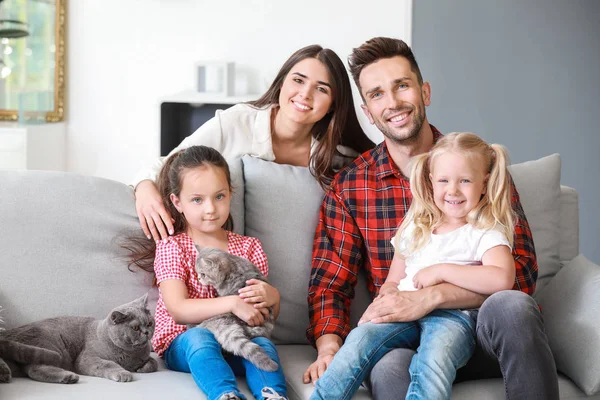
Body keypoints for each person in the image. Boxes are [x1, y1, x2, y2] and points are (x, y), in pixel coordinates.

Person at [305, 37, 558, 400]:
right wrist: (330, 350)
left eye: (402, 86)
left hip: (479, 329)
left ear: (424, 92)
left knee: (514, 306)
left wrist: (435, 295)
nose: (392, 103)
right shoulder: (351, 187)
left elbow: (521, 275)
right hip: (404, 334)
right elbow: (330, 284)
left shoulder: (477, 168)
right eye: (377, 94)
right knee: (391, 368)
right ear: (367, 110)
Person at [310, 132, 517, 400]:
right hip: (404, 310)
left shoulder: (485, 230)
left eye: (465, 180)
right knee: (359, 341)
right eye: (444, 180)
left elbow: (501, 279)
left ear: (484, 183)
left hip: (453, 317)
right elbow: (393, 280)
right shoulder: (416, 227)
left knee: (433, 360)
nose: (452, 190)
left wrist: (442, 271)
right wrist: (383, 302)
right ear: (431, 181)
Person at [132, 44, 374, 242]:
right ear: (282, 83)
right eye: (298, 80)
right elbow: (168, 164)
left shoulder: (339, 155)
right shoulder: (236, 121)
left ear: (333, 103)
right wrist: (144, 188)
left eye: (321, 89)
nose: (305, 94)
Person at [129, 145, 287, 400]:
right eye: (197, 200)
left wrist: (273, 299)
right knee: (201, 338)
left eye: (219, 196)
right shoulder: (174, 246)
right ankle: (225, 394)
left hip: (237, 340)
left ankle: (273, 396)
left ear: (230, 194)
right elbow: (178, 309)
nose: (211, 208)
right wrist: (232, 303)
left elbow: (262, 317)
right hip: (185, 343)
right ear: (177, 202)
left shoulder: (249, 247)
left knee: (264, 345)